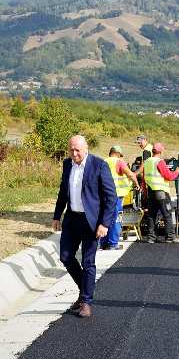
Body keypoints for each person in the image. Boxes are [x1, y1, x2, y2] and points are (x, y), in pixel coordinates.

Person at [52, 135, 118, 318]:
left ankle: (86, 302)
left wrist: (104, 223)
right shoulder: (67, 164)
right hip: (72, 219)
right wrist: (57, 216)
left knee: (88, 262)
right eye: (71, 150)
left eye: (77, 150)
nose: (74, 154)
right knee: (65, 257)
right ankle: (84, 291)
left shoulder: (99, 165)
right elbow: (62, 192)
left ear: (86, 148)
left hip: (91, 222)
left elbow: (111, 197)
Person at [140, 142, 179, 243]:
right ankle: (170, 237)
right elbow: (169, 176)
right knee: (167, 214)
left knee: (152, 215)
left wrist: (144, 192)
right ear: (161, 151)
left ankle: (151, 237)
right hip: (161, 192)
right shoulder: (160, 162)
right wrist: (177, 171)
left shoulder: (147, 162)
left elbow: (144, 179)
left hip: (150, 192)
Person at [101, 145, 139, 250]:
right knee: (115, 218)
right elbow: (130, 174)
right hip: (116, 195)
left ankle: (103, 243)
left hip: (103, 194)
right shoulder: (119, 162)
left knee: (104, 217)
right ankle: (113, 243)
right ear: (118, 154)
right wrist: (136, 184)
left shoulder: (103, 161)